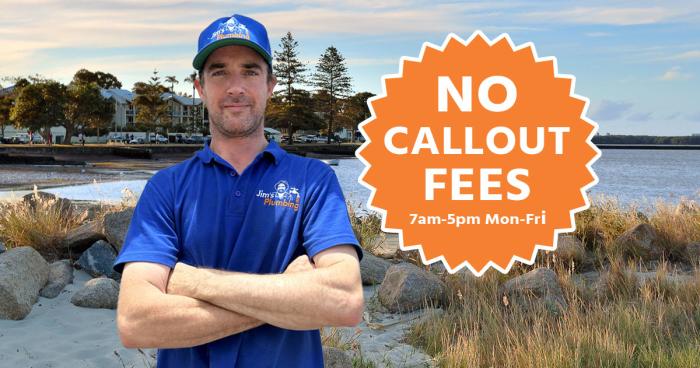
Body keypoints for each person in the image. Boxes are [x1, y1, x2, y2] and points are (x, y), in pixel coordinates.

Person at [113, 13, 363, 368]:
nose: (236, 87)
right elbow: (135, 322)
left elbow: (345, 301)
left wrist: (192, 281)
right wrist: (286, 297)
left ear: (270, 84)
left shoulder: (313, 180)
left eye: (250, 71)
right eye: (219, 72)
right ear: (199, 88)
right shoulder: (166, 188)